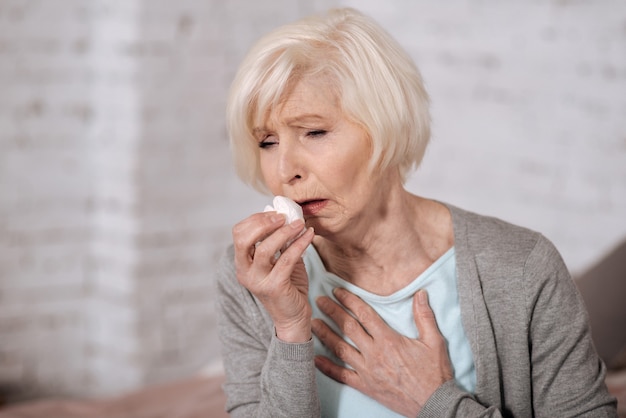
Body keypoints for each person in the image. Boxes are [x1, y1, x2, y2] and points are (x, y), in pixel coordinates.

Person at [216, 7, 617, 417]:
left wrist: (434, 401)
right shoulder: (254, 277)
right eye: (267, 142)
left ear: (388, 125)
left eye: (315, 132)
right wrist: (289, 330)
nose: (285, 171)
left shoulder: (521, 268)